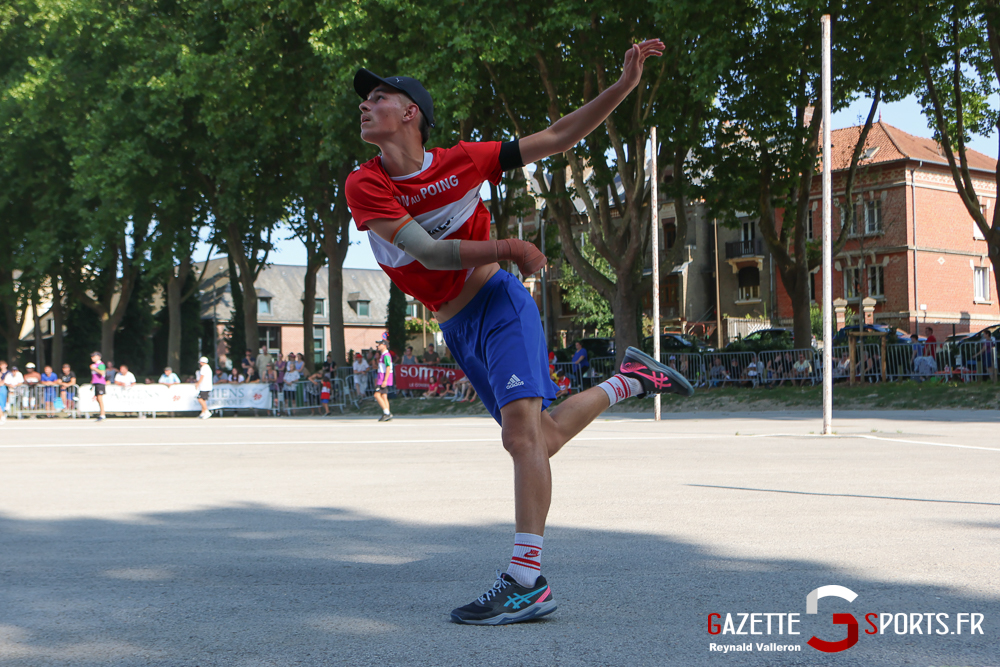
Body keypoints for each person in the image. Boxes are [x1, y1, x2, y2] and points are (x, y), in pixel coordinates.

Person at [344, 39, 694, 626]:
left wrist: (624, 87)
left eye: (379, 97)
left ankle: (525, 580)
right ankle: (630, 381)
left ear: (411, 114)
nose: (365, 104)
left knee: (520, 439)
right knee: (542, 436)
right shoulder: (366, 184)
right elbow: (428, 251)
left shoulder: (463, 159)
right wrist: (508, 244)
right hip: (457, 328)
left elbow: (557, 137)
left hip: (499, 303)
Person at [373, 333, 394, 420]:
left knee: (376, 395)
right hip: (381, 379)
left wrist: (385, 380)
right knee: (384, 396)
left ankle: (387, 412)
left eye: (380, 344)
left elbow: (388, 367)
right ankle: (387, 413)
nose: (378, 346)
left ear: (384, 345)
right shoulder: (383, 355)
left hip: (383, 379)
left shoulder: (386, 355)